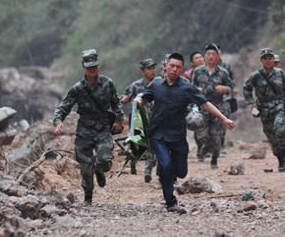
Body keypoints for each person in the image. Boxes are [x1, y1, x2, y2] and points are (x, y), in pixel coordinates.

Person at [136, 52, 235, 212]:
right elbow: (145, 98)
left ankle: (168, 173)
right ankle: (171, 202)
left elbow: (206, 104)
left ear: (182, 69)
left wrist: (224, 118)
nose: (174, 69)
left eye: (178, 67)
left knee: (181, 172)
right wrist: (138, 101)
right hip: (158, 135)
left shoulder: (186, 87)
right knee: (166, 165)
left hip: (177, 136)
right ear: (166, 66)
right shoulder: (156, 84)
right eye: (172, 66)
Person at [53, 49, 124, 204]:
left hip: (103, 128)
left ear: (98, 66)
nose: (92, 70)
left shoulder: (107, 83)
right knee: (85, 168)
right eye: (89, 67)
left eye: (95, 66)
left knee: (105, 160)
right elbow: (64, 107)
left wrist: (119, 120)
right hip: (84, 129)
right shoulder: (77, 88)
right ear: (83, 67)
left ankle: (99, 169)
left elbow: (116, 104)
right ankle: (88, 197)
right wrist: (58, 122)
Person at [243, 48, 285, 172]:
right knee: (271, 137)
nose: (268, 60)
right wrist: (252, 104)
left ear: (273, 59)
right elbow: (247, 89)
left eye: (270, 58)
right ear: (261, 61)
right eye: (265, 58)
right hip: (264, 108)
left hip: (278, 105)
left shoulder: (280, 73)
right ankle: (280, 159)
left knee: (280, 129)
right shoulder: (256, 76)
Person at [192, 44, 233, 169]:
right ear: (204, 57)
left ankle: (214, 159)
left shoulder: (223, 72)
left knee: (216, 136)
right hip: (202, 107)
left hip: (218, 107)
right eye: (208, 54)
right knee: (202, 134)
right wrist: (196, 89)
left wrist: (224, 88)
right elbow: (190, 87)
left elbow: (231, 88)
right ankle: (205, 147)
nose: (210, 57)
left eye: (213, 54)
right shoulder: (198, 71)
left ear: (217, 57)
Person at [121, 58, 158, 183]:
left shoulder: (159, 84)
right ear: (142, 71)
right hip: (138, 122)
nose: (152, 71)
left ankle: (148, 170)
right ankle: (133, 160)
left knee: (154, 144)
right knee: (137, 143)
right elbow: (125, 98)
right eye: (149, 68)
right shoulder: (136, 85)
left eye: (153, 68)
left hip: (155, 119)